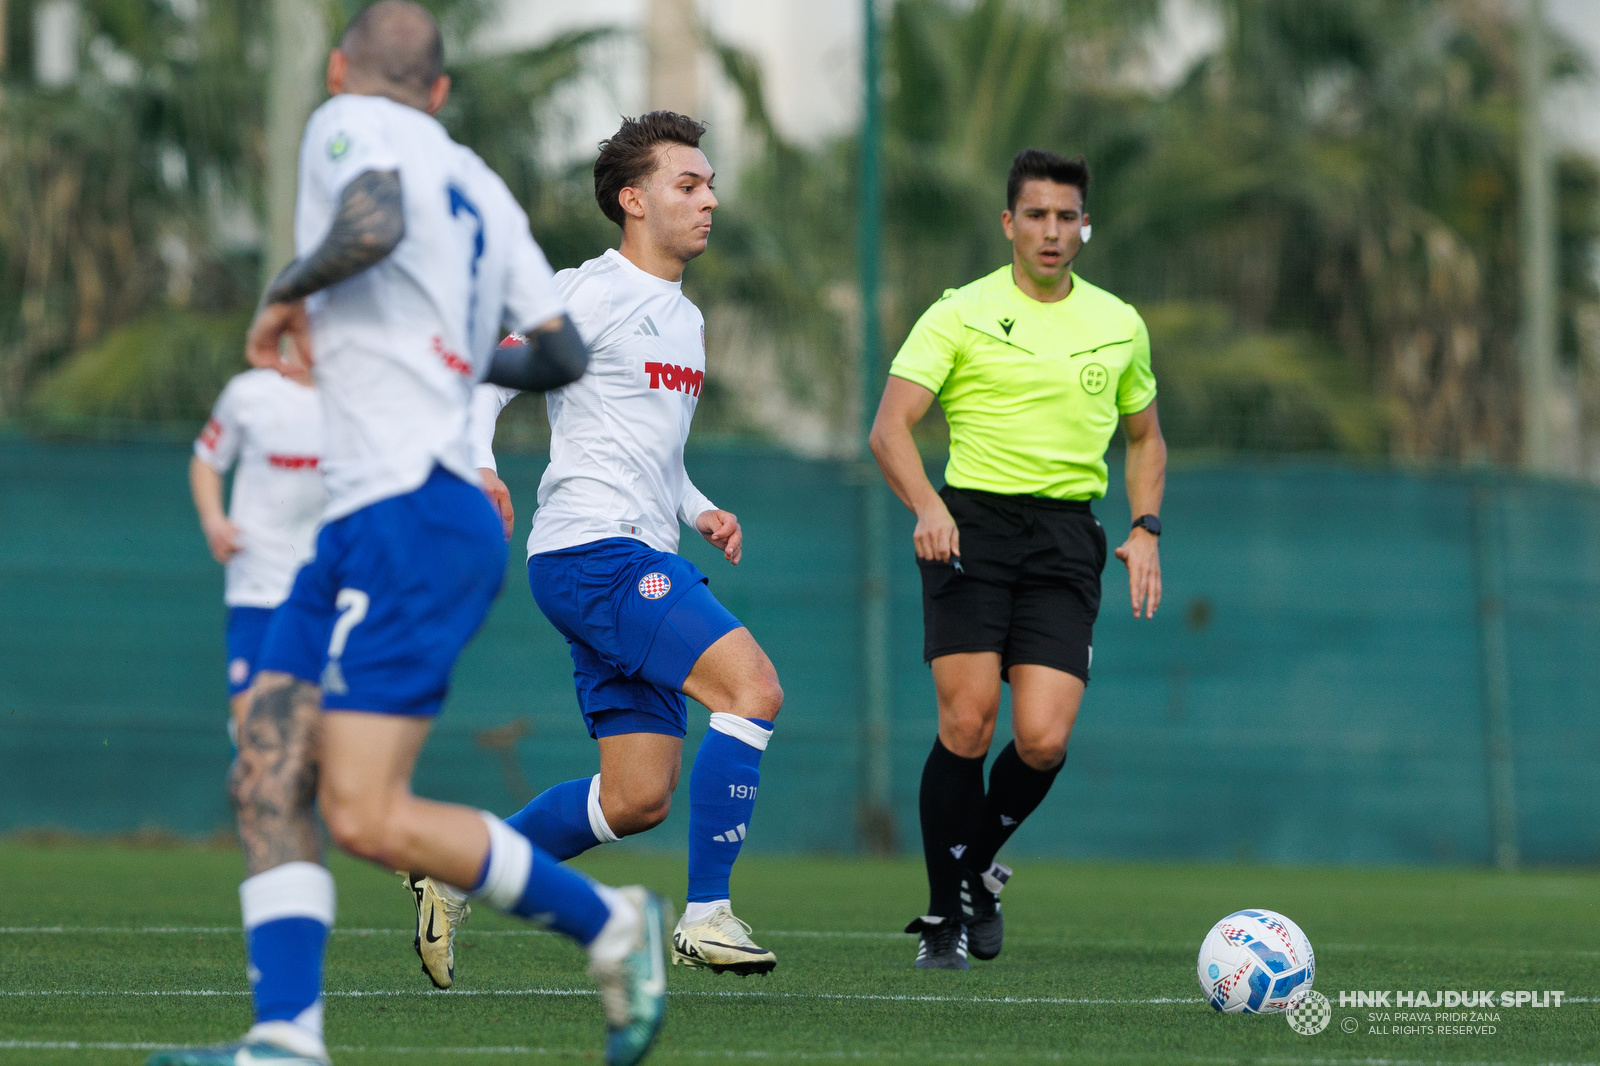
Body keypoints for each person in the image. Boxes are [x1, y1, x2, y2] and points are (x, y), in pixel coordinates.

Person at [146, 5, 668, 1066]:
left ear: (344, 70)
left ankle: (612, 923)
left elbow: (372, 220)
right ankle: (287, 1036)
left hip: (412, 518)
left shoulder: (343, 122)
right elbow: (559, 354)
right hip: (367, 521)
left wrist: (287, 291)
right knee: (269, 770)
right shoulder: (480, 184)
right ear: (439, 90)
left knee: (365, 812)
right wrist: (455, 356)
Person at [409, 111, 783, 982]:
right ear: (632, 200)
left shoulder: (683, 319)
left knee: (636, 796)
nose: (709, 200)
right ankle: (708, 914)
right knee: (752, 687)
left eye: (711, 183)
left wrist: (699, 508)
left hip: (634, 549)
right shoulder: (588, 292)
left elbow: (651, 448)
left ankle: (456, 868)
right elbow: (486, 380)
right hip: (595, 554)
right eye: (687, 185)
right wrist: (478, 466)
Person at [868, 148, 1166, 970]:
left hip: (1069, 539)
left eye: (1066, 216)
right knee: (967, 723)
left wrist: (1145, 527)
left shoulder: (1119, 322)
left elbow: (1146, 437)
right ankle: (942, 918)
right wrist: (927, 506)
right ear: (1009, 223)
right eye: (1035, 214)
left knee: (1041, 741)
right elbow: (889, 428)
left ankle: (976, 877)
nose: (1051, 230)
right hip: (971, 528)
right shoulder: (959, 313)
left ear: (1084, 227)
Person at [189, 365, 324, 741]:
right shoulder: (248, 393)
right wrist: (214, 521)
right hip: (257, 588)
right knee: (257, 740)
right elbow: (206, 459)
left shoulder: (359, 393)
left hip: (328, 592)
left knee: (319, 747)